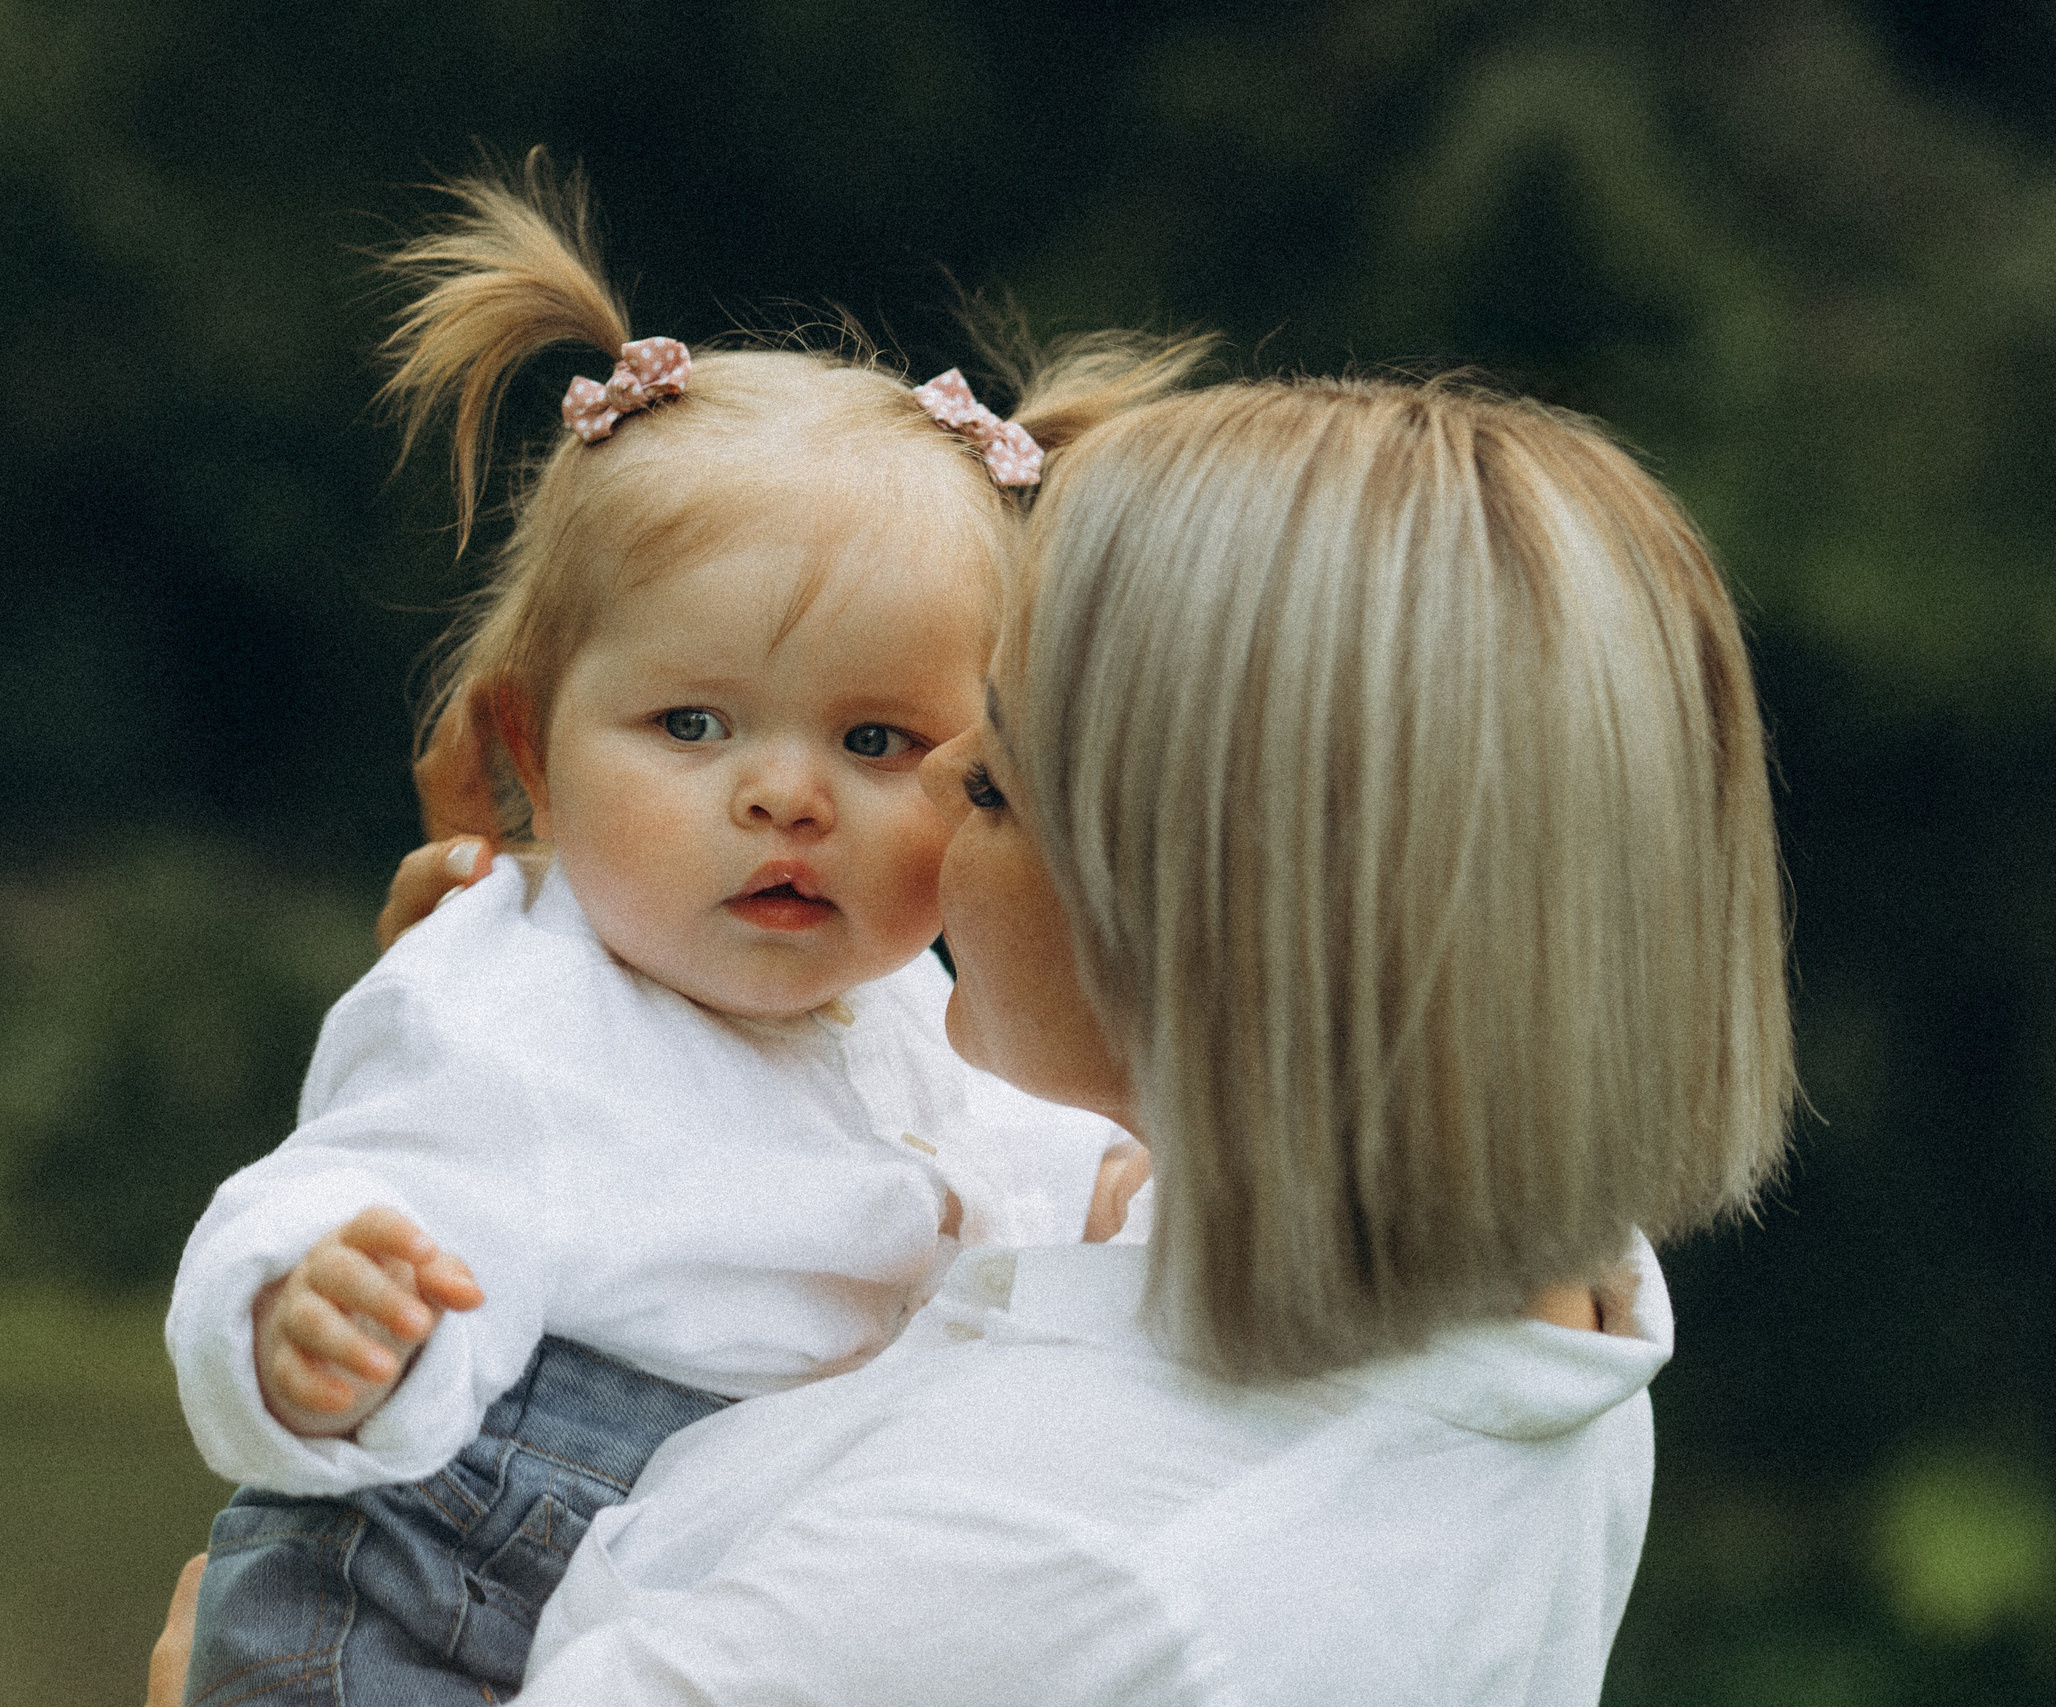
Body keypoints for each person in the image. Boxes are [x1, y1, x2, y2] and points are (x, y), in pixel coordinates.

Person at [151, 371, 1794, 1703]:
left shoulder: (1050, 1562)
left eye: (974, 773)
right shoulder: (1537, 1294)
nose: (895, 807)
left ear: (1211, 911)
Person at [164, 156, 1188, 1707]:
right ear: (533, 751)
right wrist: (306, 1315)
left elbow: (1030, 1168)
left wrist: (1146, 1184)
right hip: (423, 1610)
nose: (788, 798)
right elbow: (331, 1192)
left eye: (877, 743)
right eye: (694, 722)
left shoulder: (913, 1010)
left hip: (688, 1583)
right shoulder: (511, 998)